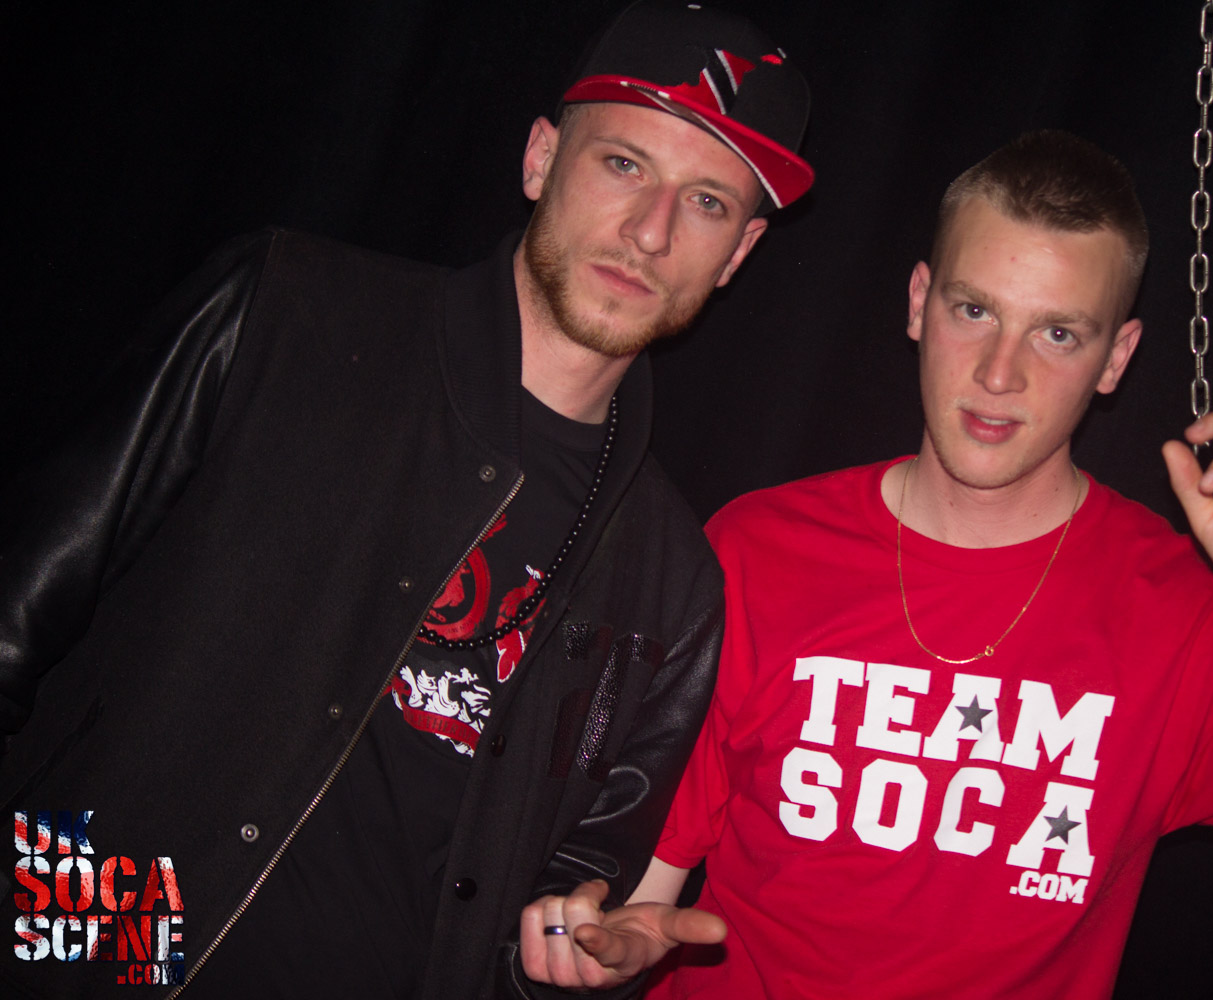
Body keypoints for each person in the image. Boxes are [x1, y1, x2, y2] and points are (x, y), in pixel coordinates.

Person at [518, 131, 1213, 998]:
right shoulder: (756, 549)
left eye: (1058, 333)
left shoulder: (1181, 619)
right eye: (975, 310)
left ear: (1117, 358)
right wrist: (605, 953)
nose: (999, 372)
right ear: (919, 303)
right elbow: (643, 896)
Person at [0, 3, 812, 998]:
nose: (650, 231)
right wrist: (68, 952)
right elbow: (18, 621)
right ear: (540, 159)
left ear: (738, 254)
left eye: (706, 202)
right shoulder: (288, 314)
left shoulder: (672, 579)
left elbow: (561, 912)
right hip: (91, 957)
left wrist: (570, 966)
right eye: (623, 164)